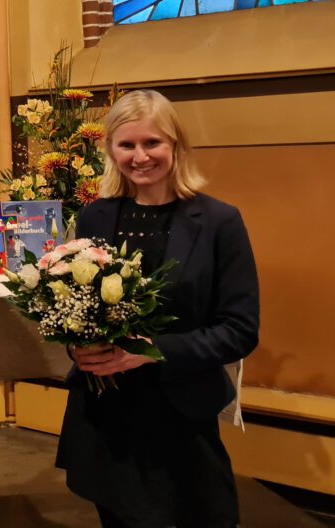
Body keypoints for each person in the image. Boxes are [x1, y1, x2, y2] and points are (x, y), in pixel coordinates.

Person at [56, 89, 260, 528]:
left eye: (152, 143)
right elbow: (75, 309)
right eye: (126, 144)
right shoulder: (95, 216)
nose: (140, 156)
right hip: (108, 413)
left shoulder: (220, 222)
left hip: (181, 412)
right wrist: (78, 349)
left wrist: (148, 352)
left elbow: (240, 330)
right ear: (110, 149)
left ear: (176, 146)